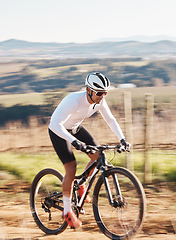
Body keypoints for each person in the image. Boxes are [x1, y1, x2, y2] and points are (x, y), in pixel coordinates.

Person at [48, 72, 131, 229]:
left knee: (98, 156)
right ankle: (67, 212)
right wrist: (75, 142)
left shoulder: (99, 101)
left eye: (105, 93)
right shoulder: (73, 100)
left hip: (75, 128)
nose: (102, 96)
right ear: (89, 90)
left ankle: (80, 184)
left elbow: (110, 119)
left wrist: (122, 139)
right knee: (71, 167)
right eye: (99, 93)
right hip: (58, 131)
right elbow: (55, 124)